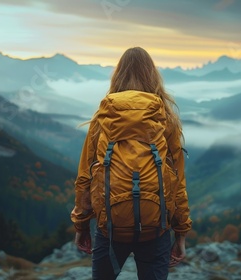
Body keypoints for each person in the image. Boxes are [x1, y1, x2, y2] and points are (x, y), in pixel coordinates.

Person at [70, 46, 192, 280]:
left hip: (111, 227)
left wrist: (82, 226)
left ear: (118, 75)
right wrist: (181, 233)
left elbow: (85, 178)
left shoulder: (102, 119)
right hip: (156, 228)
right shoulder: (165, 119)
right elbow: (177, 183)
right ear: (152, 75)